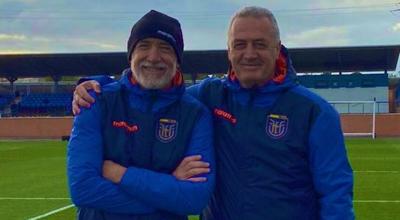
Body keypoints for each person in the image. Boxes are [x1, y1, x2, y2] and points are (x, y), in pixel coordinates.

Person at [72, 6, 354, 220]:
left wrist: (122, 175)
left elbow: (336, 195)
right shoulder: (207, 96)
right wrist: (96, 85)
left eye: (260, 44)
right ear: (229, 51)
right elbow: (154, 89)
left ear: (277, 48)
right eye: (240, 44)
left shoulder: (315, 112)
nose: (249, 53)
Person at [67, 10, 215, 220]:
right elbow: (83, 189)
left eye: (165, 48)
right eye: (144, 46)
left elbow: (194, 198)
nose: (153, 57)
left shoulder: (196, 114)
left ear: (178, 60)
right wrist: (168, 191)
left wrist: (119, 174)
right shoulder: (95, 100)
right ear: (131, 56)